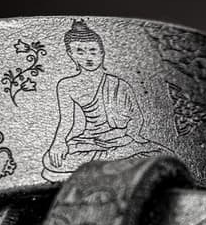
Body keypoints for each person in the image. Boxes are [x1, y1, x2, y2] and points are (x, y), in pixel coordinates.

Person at [42, 19, 170, 181]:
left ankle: (103, 166)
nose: (88, 57)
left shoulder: (118, 84)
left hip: (121, 140)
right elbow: (66, 121)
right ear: (71, 54)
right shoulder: (66, 85)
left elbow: (137, 118)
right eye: (80, 51)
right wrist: (58, 143)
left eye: (93, 51)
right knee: (51, 160)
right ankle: (114, 166)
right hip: (90, 141)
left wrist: (124, 135)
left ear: (102, 52)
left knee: (160, 155)